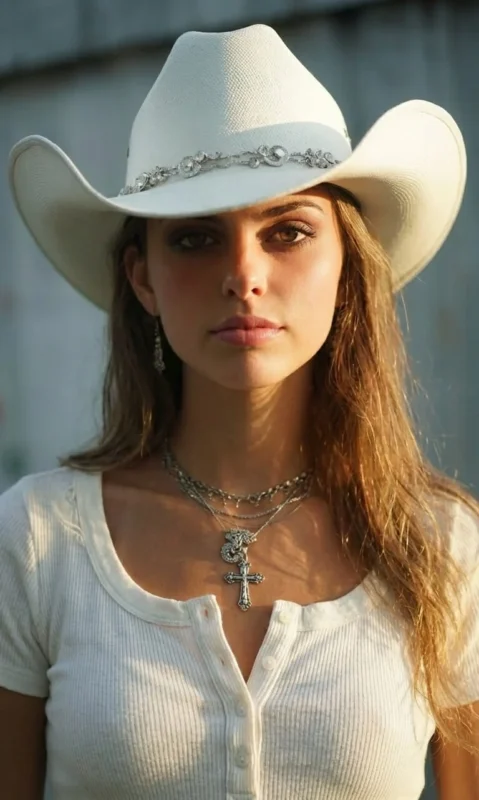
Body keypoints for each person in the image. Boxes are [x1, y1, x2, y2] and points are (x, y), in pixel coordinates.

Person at [1, 22, 478, 800]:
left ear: (346, 266)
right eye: (194, 239)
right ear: (143, 278)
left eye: (287, 231)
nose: (243, 274)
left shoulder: (441, 548)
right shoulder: (37, 542)